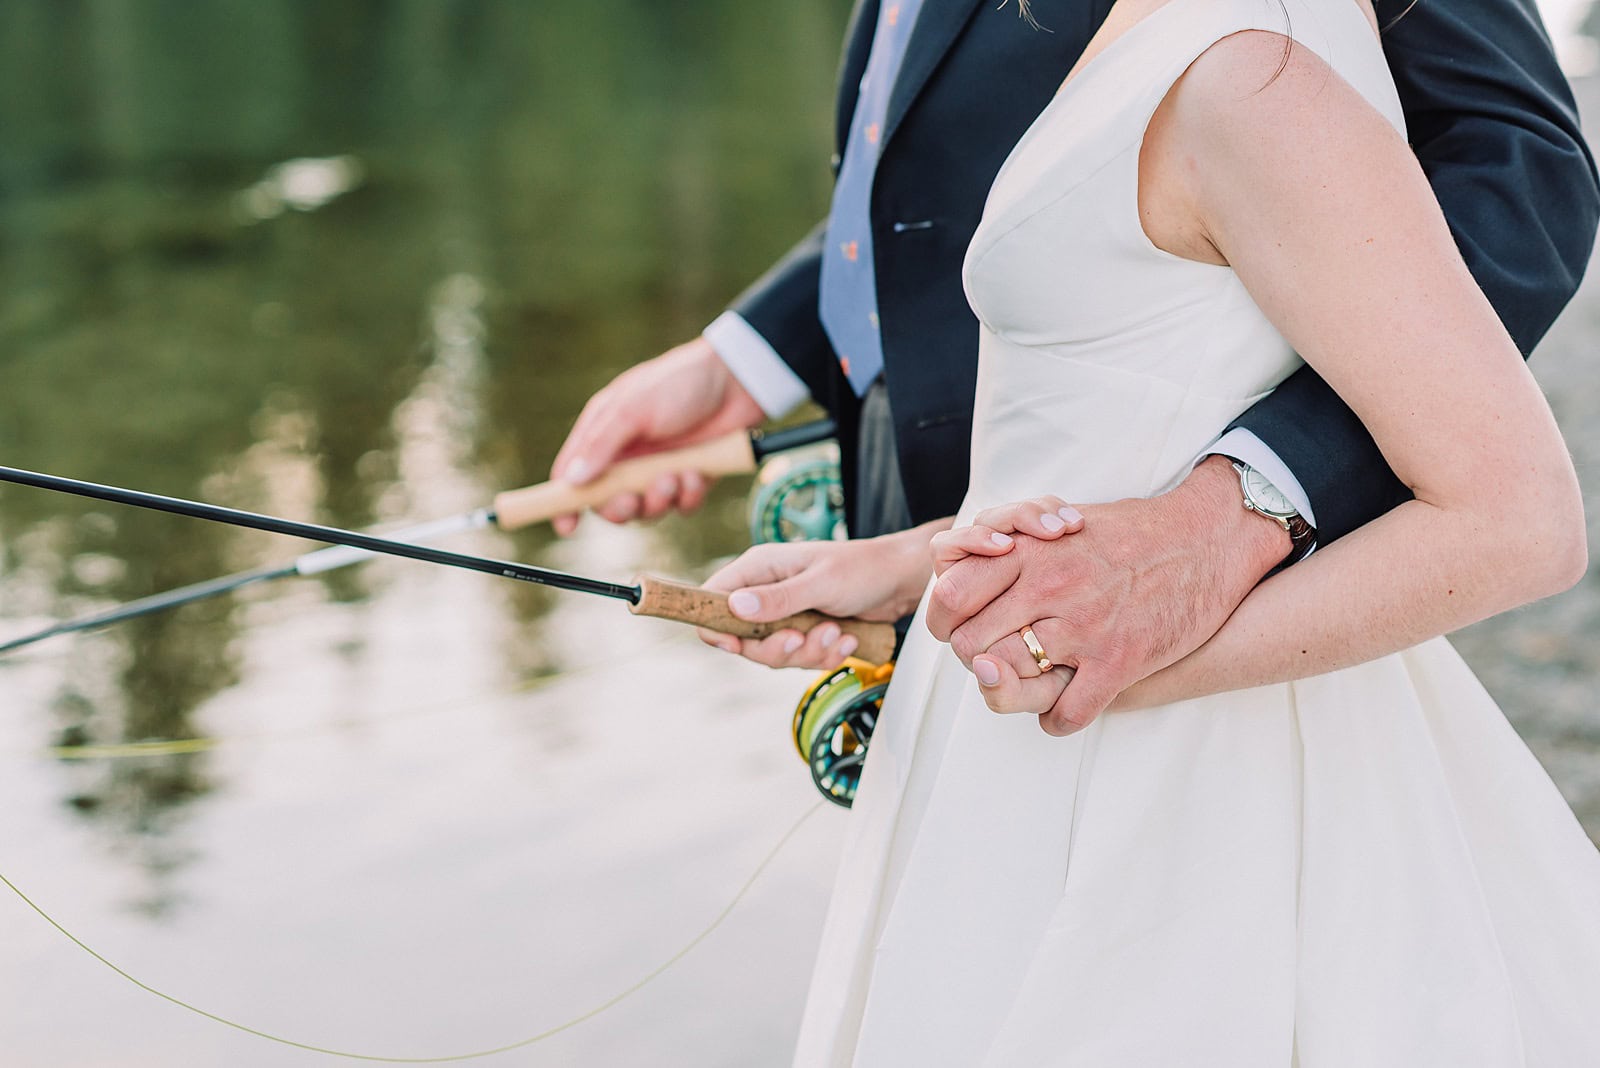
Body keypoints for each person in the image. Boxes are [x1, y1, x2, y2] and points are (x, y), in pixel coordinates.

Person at [748, 0, 1597, 1061]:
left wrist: (1124, 659)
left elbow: (1521, 521)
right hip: (1034, 732)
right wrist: (915, 569)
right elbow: (1127, 413)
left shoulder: (1258, 84)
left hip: (1164, 777)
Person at [550, 0, 1598, 707]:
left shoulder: (1257, 73)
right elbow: (953, 158)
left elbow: (1512, 177)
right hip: (973, 571)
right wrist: (756, 365)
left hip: (1160, 656)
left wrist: (1241, 508)